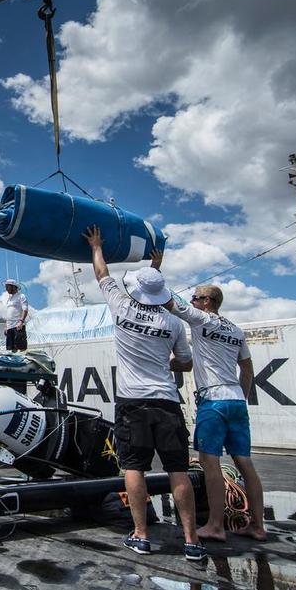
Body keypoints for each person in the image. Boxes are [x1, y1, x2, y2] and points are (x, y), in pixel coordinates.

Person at [83, 226, 204, 561]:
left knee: (134, 467)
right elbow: (185, 363)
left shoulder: (122, 306)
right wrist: (155, 270)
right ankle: (192, 541)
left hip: (132, 402)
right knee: (177, 469)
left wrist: (96, 245)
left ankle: (141, 535)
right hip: (166, 401)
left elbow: (102, 273)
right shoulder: (174, 323)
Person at [157, 276, 267, 542]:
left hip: (213, 400)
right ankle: (258, 526)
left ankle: (215, 525)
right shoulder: (236, 330)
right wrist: (241, 395)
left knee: (209, 463)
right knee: (245, 463)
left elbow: (169, 302)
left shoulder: (201, 319)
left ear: (207, 302)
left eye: (195, 298)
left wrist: (154, 273)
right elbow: (248, 369)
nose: (192, 301)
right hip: (237, 400)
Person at [2, 279, 29, 352]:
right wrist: (6, 326)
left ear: (13, 287)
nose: (6, 289)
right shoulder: (9, 299)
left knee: (21, 347)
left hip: (18, 326)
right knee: (11, 349)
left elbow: (25, 309)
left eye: (7, 287)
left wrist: (21, 321)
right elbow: (8, 313)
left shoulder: (21, 296)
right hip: (9, 327)